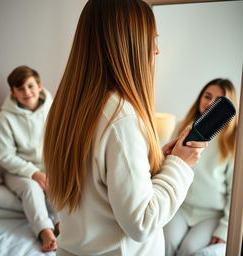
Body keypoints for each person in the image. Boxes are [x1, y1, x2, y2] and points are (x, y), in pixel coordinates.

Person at [43, 0, 207, 255]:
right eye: (151, 39)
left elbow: (97, 189)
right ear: (126, 44)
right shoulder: (121, 119)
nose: (157, 51)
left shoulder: (66, 108)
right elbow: (142, 221)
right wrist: (181, 165)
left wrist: (155, 163)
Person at [164, 78, 238, 256]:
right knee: (166, 243)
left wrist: (224, 230)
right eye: (207, 96)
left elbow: (235, 192)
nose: (210, 103)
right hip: (181, 206)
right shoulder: (182, 128)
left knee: (188, 250)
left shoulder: (232, 143)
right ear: (200, 98)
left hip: (210, 215)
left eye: (217, 100)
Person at [0, 65, 58, 252]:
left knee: (60, 184)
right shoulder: (4, 118)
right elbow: (5, 157)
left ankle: (63, 224)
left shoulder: (54, 110)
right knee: (32, 188)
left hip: (49, 167)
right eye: (20, 88)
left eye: (30, 86)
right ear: (13, 92)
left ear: (39, 86)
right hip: (18, 171)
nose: (27, 92)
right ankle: (45, 231)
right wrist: (34, 173)